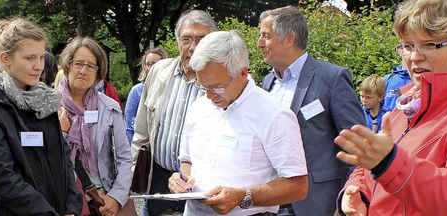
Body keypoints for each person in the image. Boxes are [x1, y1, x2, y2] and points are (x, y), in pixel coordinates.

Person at [335, 0, 447, 215]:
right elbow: (377, 160)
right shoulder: (409, 101)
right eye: (408, 46)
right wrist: (358, 192)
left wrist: (387, 162)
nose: (414, 56)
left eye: (430, 44)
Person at [168, 30, 309, 215]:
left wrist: (243, 196)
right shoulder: (198, 108)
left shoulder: (274, 114)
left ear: (242, 73)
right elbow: (187, 160)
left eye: (217, 87)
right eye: (203, 86)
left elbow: (298, 186)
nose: (209, 95)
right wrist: (181, 179)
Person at [258, 6, 366, 216]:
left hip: (316, 203)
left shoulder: (331, 78)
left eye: (266, 36)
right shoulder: (268, 82)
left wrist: (354, 194)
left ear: (289, 39)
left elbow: (357, 144)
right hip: (272, 201)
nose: (260, 43)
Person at [0, 17, 82, 216]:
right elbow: (2, 178)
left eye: (41, 57)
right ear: (6, 58)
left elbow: (65, 162)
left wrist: (72, 209)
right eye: (29, 58)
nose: (38, 66)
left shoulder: (46, 102)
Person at [132, 9, 217, 215]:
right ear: (178, 40)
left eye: (201, 39)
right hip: (159, 178)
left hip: (200, 183)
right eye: (186, 39)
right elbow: (141, 133)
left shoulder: (220, 78)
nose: (193, 47)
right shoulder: (159, 71)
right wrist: (135, 176)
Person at [58, 37, 134, 216]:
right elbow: (46, 160)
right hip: (67, 201)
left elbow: (124, 158)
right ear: (68, 65)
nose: (84, 71)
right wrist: (62, 133)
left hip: (104, 199)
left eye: (91, 66)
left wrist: (116, 197)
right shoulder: (48, 108)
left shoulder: (110, 108)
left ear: (98, 73)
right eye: (78, 63)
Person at [124, 47, 169, 143]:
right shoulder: (136, 91)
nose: (150, 68)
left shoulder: (170, 89)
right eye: (147, 64)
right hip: (142, 146)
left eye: (154, 64)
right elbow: (128, 125)